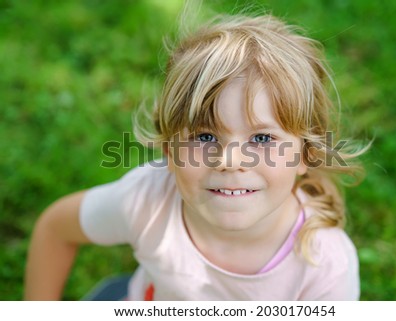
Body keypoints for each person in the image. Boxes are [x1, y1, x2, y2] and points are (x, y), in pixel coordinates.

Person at [25, 14, 367, 300]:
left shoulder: (325, 265)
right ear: (170, 149)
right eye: (205, 136)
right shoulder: (148, 200)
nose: (230, 160)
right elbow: (56, 229)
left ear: (307, 152)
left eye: (262, 138)